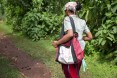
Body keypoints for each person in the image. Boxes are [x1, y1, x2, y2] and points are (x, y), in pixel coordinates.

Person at [52, 1, 93, 78]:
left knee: (70, 73)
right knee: (75, 71)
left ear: (67, 10)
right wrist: (80, 38)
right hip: (80, 51)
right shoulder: (82, 21)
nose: (65, 12)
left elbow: (70, 34)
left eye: (65, 10)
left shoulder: (67, 19)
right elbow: (90, 37)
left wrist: (57, 43)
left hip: (71, 51)